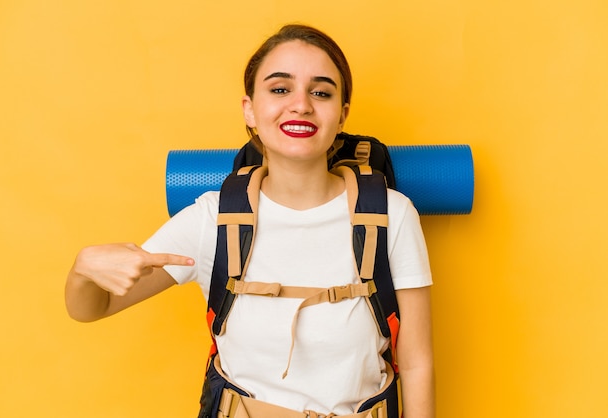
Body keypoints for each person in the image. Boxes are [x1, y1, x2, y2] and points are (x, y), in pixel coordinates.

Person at [65, 24, 434, 418]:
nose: (301, 105)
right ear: (250, 109)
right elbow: (92, 308)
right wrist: (82, 271)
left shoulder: (392, 215)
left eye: (321, 92)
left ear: (341, 116)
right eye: (279, 89)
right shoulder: (213, 219)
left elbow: (416, 365)